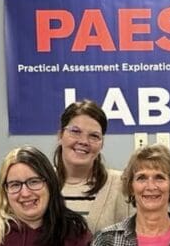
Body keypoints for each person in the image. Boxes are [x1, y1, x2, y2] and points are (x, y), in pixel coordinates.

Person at [54, 99, 128, 233]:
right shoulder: (39, 183)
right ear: (60, 136)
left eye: (94, 136)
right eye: (75, 131)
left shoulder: (121, 185)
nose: (83, 141)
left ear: (102, 143)